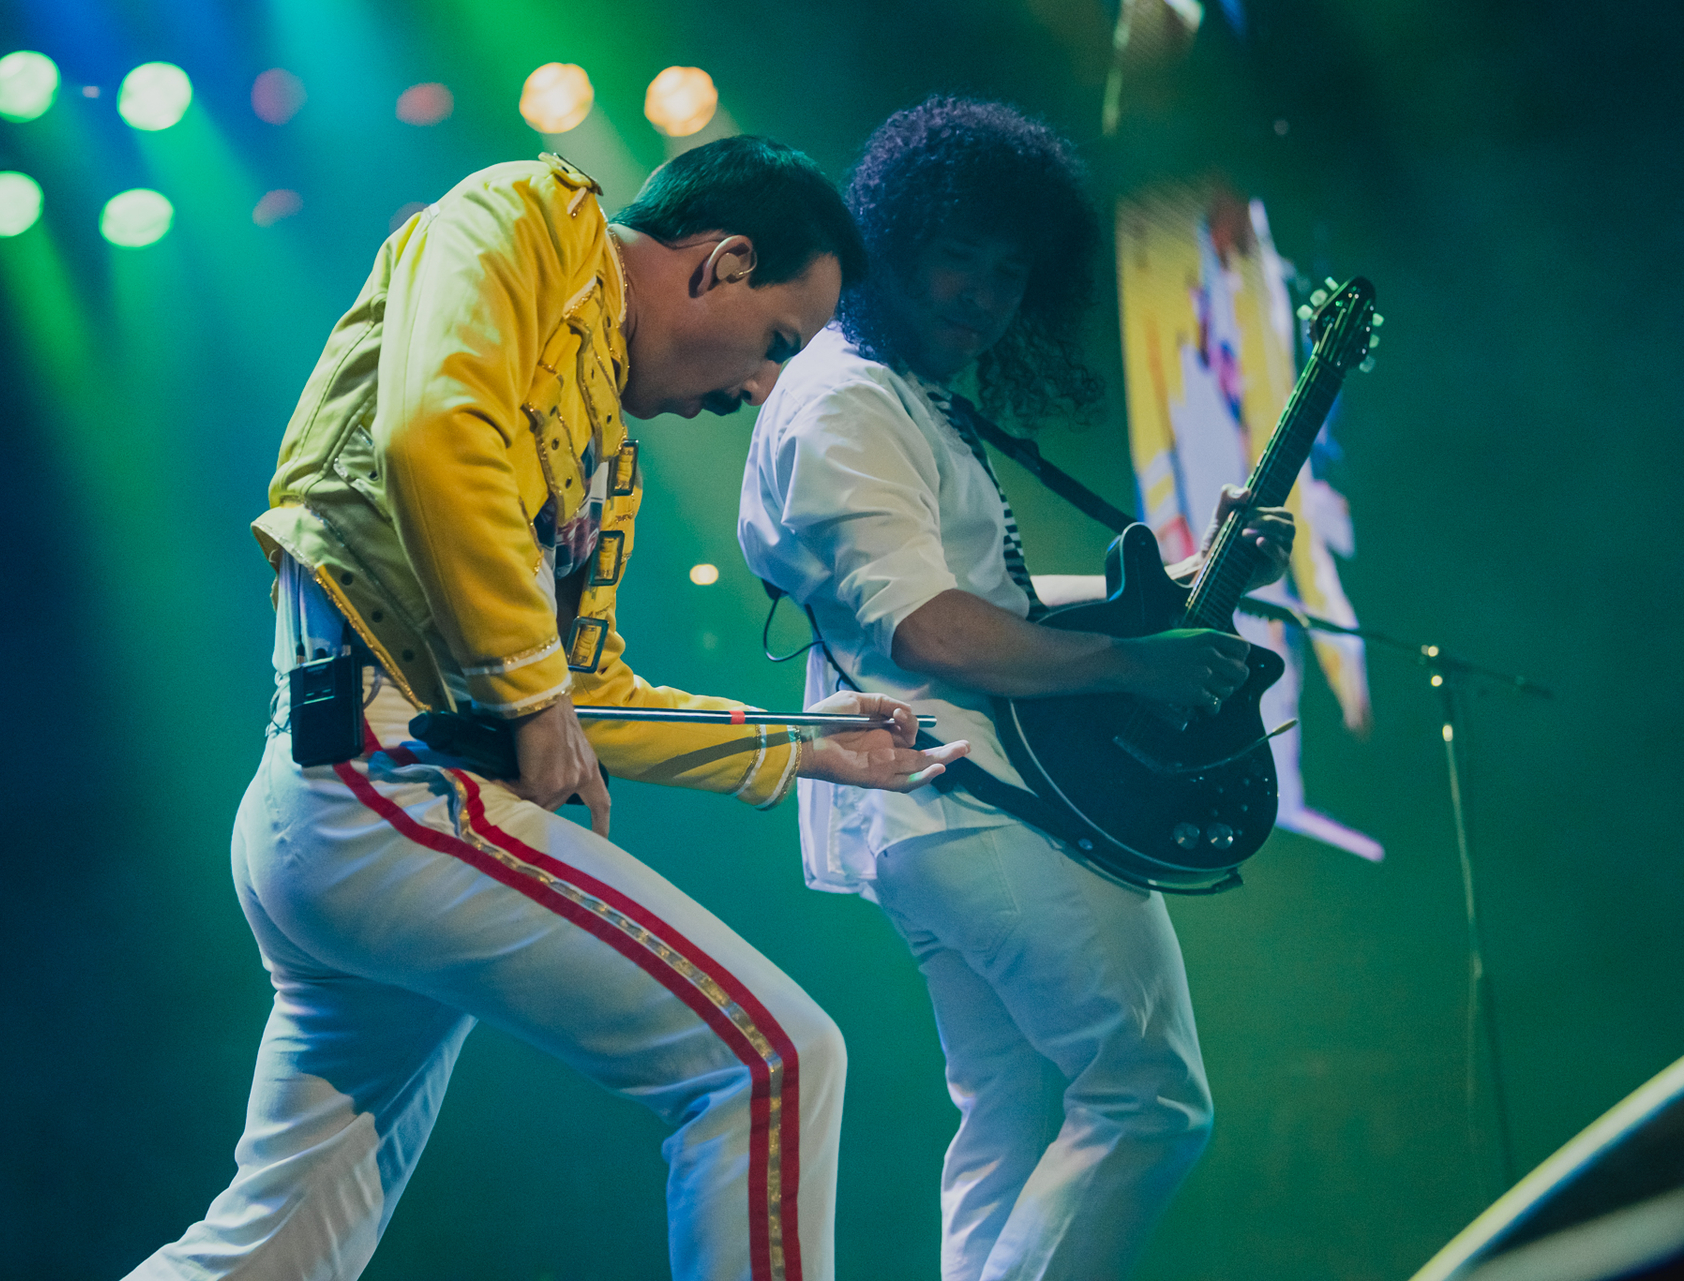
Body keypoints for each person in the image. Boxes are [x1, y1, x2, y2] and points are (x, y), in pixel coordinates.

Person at [125, 138, 966, 1281]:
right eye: (779, 342)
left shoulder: (603, 451)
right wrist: (530, 693)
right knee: (770, 1062)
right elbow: (433, 430)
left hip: (349, 798)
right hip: (388, 784)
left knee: (272, 1249)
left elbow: (586, 698)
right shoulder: (527, 215)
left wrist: (810, 744)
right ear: (723, 262)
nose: (762, 389)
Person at [738, 98, 1296, 1281]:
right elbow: (931, 626)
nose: (983, 296)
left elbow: (976, 595)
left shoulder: (888, 389)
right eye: (958, 257)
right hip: (975, 805)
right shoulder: (848, 400)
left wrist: (1189, 581)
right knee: (1150, 1103)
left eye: (1010, 272)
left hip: (936, 814)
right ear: (891, 243)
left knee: (1016, 1112)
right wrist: (1133, 661)